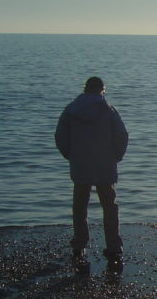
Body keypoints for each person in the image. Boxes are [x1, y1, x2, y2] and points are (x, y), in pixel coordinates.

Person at [55, 76, 129, 270]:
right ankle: (113, 246)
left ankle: (79, 245)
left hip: (80, 164)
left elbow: (60, 136)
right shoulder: (109, 110)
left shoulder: (71, 110)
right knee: (109, 206)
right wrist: (116, 156)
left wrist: (71, 155)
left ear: (85, 89)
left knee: (80, 205)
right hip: (105, 164)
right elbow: (122, 135)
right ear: (101, 90)